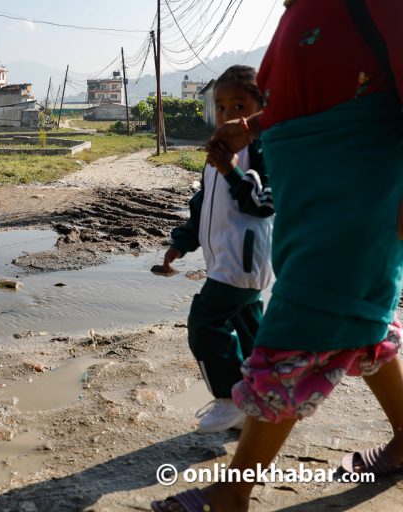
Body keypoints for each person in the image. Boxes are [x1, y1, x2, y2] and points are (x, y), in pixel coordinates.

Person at [153, 0, 403, 510]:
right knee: (358, 321)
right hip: (313, 203)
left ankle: (232, 495)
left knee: (305, 322)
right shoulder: (300, 11)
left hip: (354, 194)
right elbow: (307, 98)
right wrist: (251, 130)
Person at [163, 65, 274, 433]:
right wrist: (182, 242)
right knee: (247, 332)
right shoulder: (218, 153)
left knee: (205, 323)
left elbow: (264, 203)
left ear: (261, 110)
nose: (229, 116)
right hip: (225, 261)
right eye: (222, 108)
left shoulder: (261, 149)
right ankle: (261, 400)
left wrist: (230, 169)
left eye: (239, 107)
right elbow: (204, 203)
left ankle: (229, 400)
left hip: (243, 261)